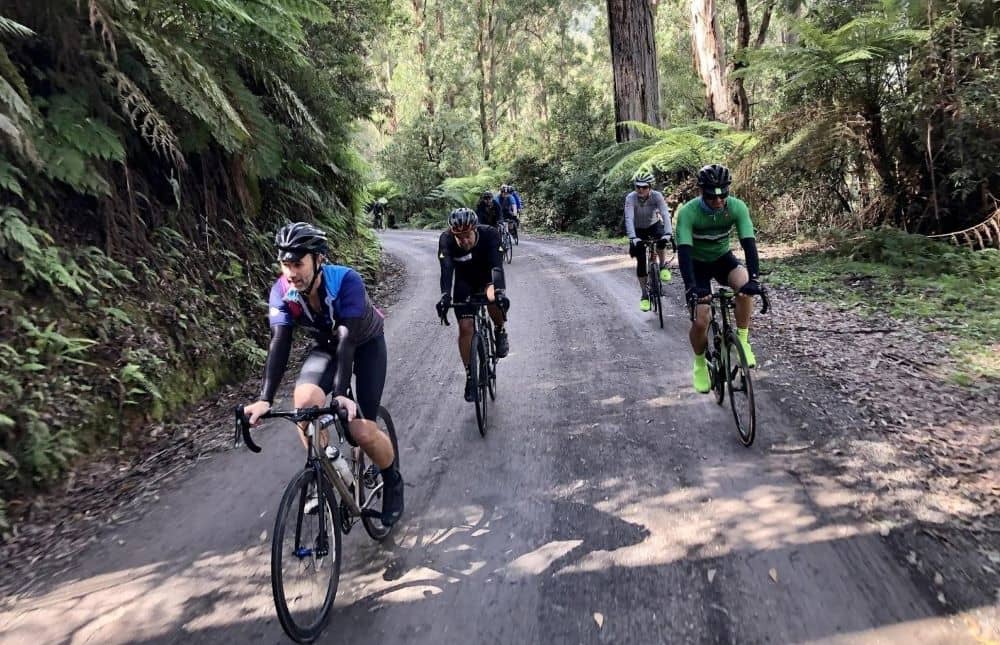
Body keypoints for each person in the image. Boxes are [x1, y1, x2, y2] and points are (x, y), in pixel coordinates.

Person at [242, 222, 404, 525]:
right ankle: (326, 467)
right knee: (304, 406)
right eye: (285, 264)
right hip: (327, 347)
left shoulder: (346, 281)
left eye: (298, 264)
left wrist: (341, 394)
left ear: (318, 260)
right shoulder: (282, 291)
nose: (291, 272)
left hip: (364, 343)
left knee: (362, 431)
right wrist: (265, 399)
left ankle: (392, 480)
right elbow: (280, 342)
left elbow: (348, 340)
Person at [675, 164, 764, 393]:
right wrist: (691, 287)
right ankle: (699, 364)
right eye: (712, 197)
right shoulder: (688, 212)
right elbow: (683, 254)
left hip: (723, 259)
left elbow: (749, 245)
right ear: (701, 192)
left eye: (723, 195)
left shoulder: (736, 207)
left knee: (744, 284)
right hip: (697, 265)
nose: (718, 201)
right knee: (701, 320)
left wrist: (754, 279)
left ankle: (742, 340)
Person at [435, 208, 511, 402]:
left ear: (474, 230)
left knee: (493, 298)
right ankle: (470, 375)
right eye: (459, 237)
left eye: (467, 235)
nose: (464, 241)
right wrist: (444, 296)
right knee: (465, 327)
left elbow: (496, 266)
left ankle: (500, 329)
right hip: (464, 282)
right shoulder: (446, 240)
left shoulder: (489, 235)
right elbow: (446, 270)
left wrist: (500, 292)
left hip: (487, 278)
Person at [624, 173, 673, 312]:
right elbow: (629, 218)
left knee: (662, 240)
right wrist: (633, 238)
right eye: (638, 187)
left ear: (650, 187)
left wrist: (668, 233)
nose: (640, 190)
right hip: (638, 230)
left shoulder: (657, 196)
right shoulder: (630, 198)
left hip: (653, 225)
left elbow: (664, 213)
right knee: (641, 262)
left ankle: (662, 266)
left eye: (644, 187)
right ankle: (644, 296)